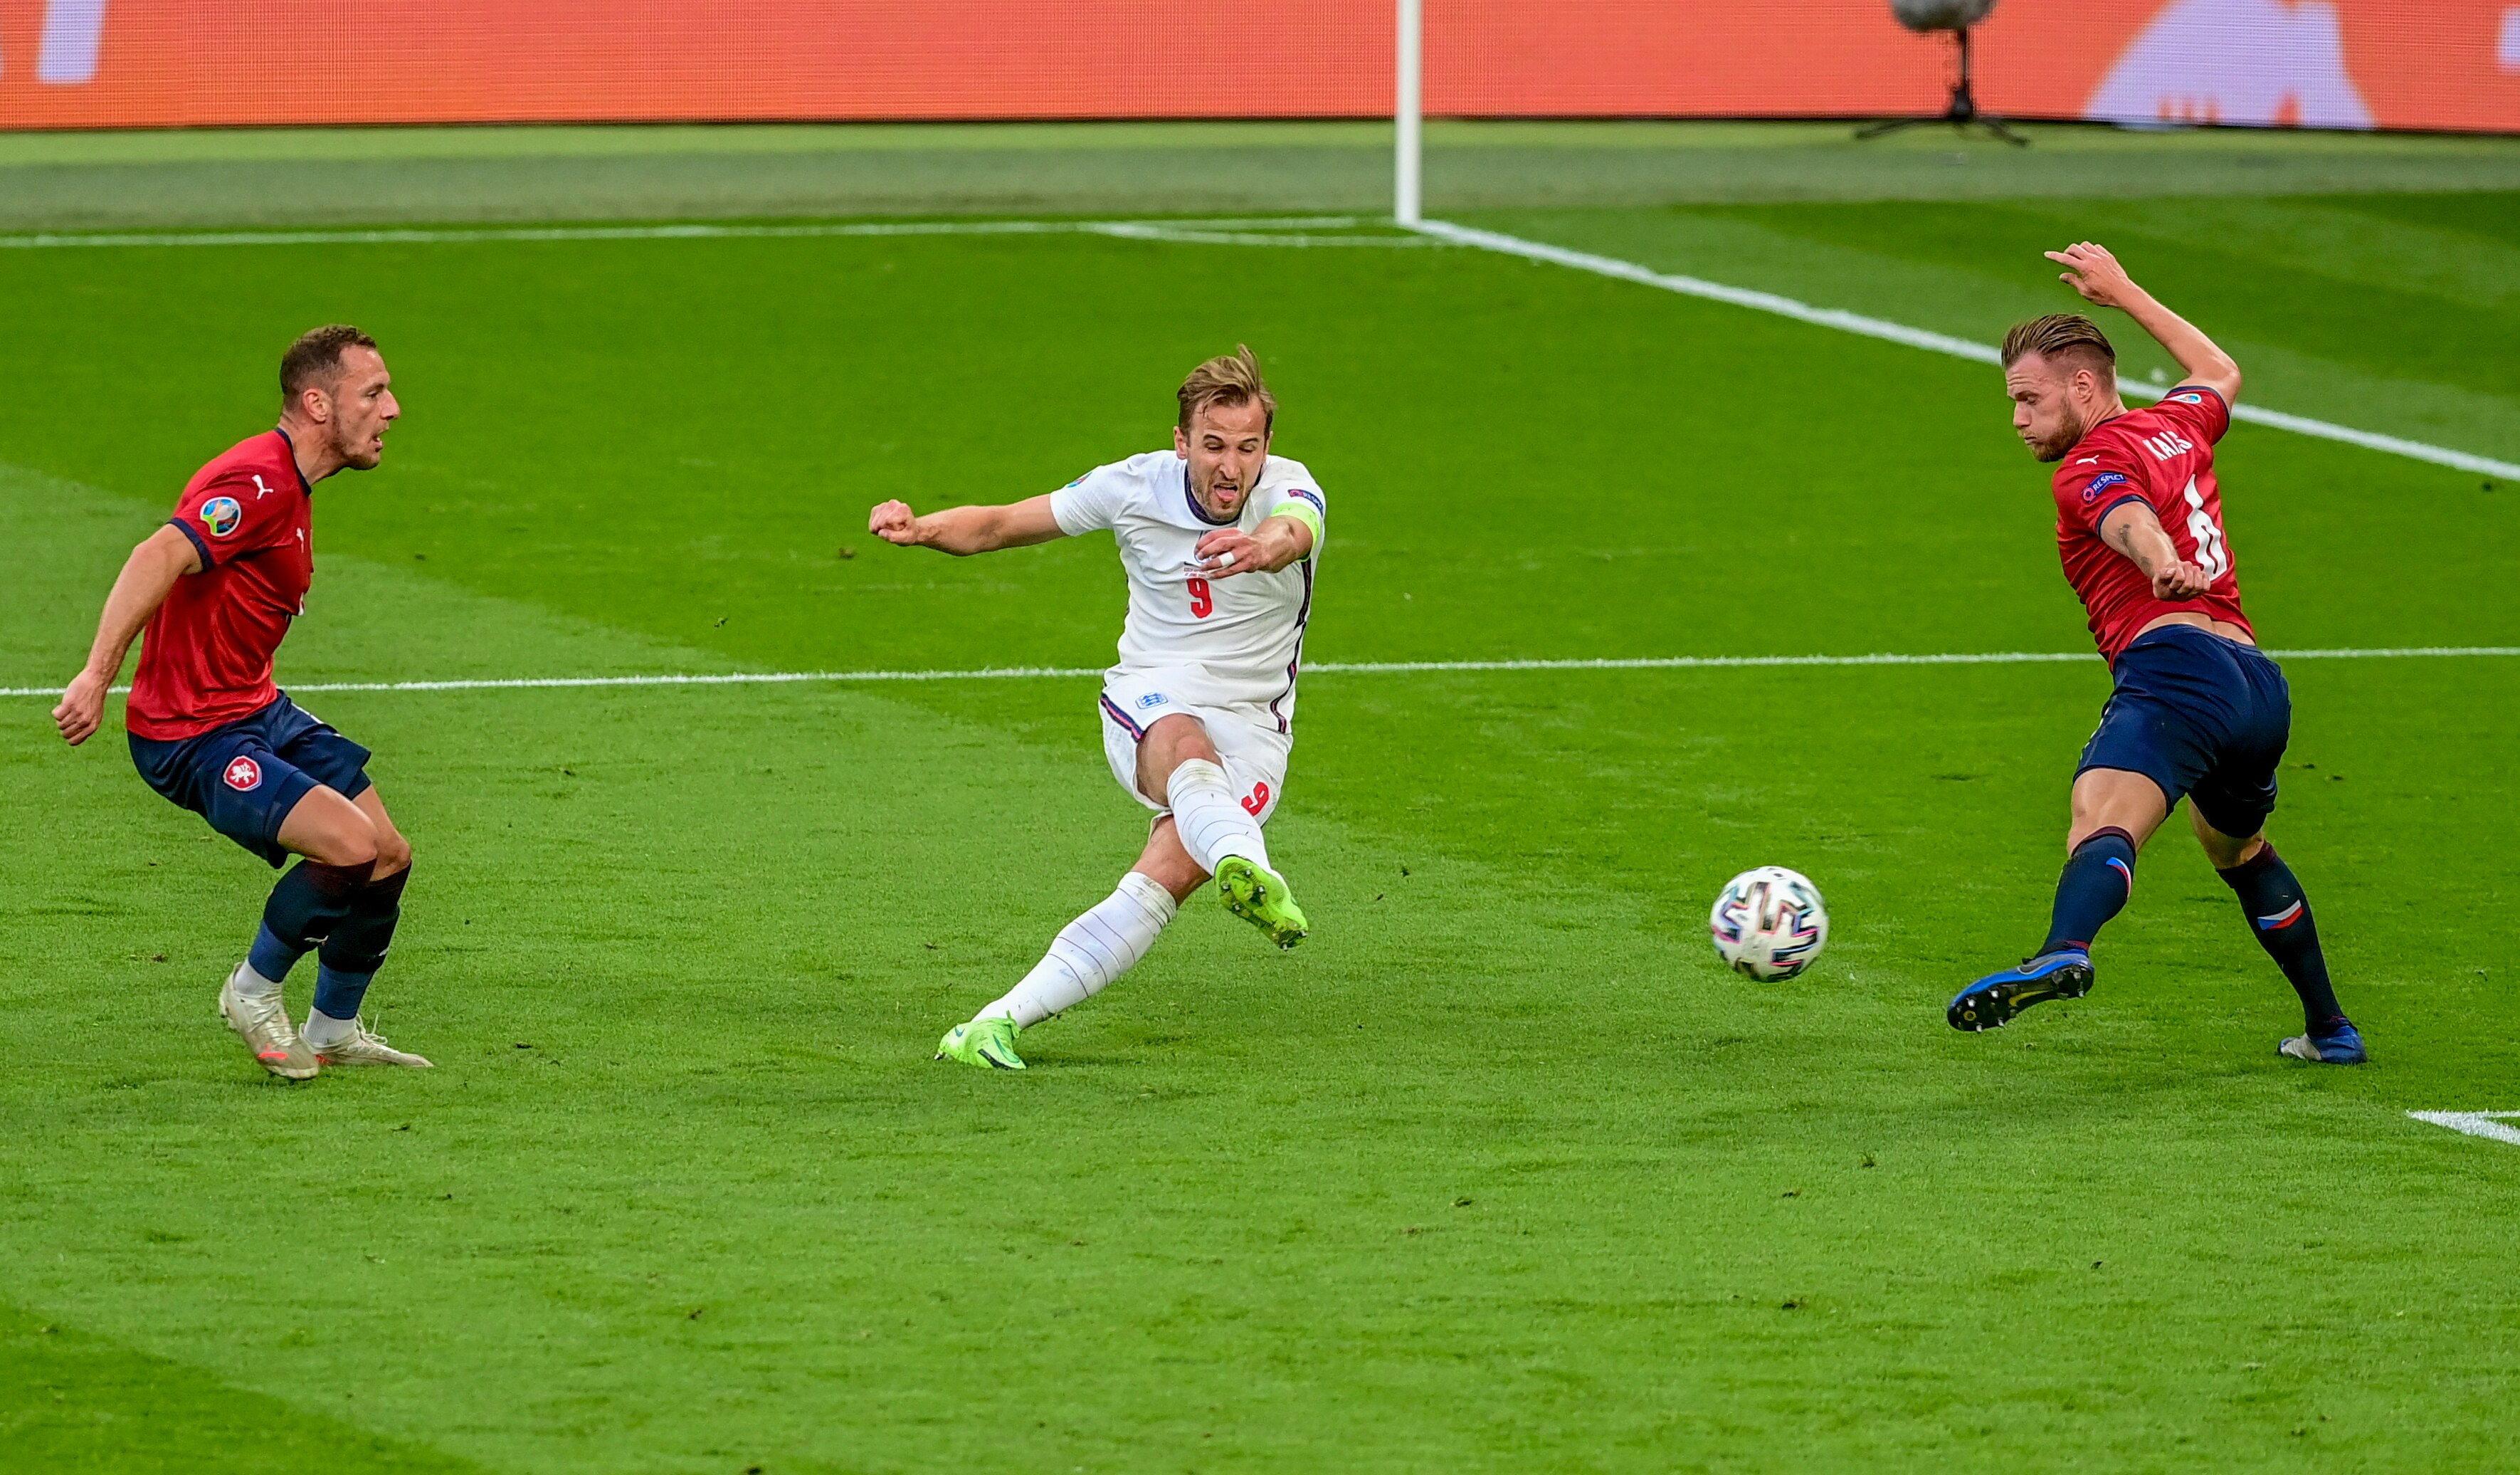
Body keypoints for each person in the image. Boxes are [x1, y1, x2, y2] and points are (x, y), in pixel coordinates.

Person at [1946, 243, 2363, 1064]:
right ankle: (2331, 1029)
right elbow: (2218, 369)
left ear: (2082, 386)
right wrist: (2126, 292)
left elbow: (2126, 514)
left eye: (2029, 399)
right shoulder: (2177, 424)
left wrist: (2159, 560)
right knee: (2237, 849)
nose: (2018, 419)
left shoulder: (2089, 464)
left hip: (2177, 670)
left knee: (2101, 820)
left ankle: (2064, 949)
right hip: (2256, 685)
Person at [869, 347, 1322, 1071]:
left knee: (1156, 885)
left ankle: (991, 1025)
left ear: (1266, 446)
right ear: (1181, 442)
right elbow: (999, 525)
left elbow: (1293, 531)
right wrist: (920, 528)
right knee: (1186, 747)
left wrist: (1259, 548)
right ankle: (1246, 864)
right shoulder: (1132, 485)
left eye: (1247, 447)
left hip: (1254, 725)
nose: (1230, 466)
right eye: (1212, 445)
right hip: (1152, 693)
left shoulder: (1292, 488)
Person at [53, 325, 431, 1079]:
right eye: (373, 393)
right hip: (190, 731)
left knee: (388, 854)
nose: (391, 409)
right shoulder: (258, 482)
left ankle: (332, 1029)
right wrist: (97, 674)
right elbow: (158, 552)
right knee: (348, 846)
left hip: (254, 708)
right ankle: (252, 991)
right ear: (318, 404)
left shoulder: (292, 484)